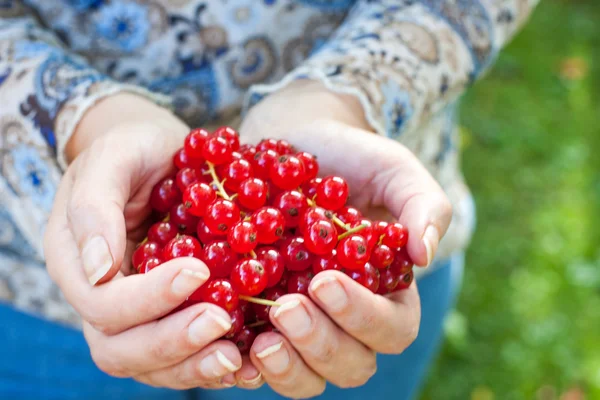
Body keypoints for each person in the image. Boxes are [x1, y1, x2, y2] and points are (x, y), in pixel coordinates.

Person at [0, 1, 538, 399]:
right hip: (35, 282)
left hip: (359, 233)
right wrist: (84, 117)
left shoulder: (331, 231)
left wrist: (348, 96)